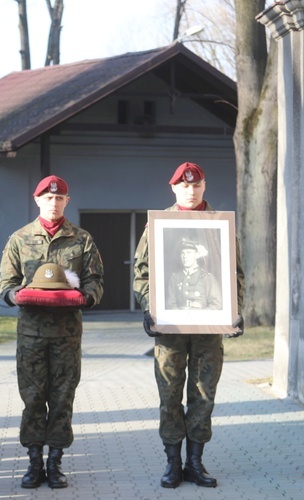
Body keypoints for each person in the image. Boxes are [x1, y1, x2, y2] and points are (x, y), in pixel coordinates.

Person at [133, 161, 245, 489]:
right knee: (169, 395)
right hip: (170, 330)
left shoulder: (220, 225)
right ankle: (172, 463)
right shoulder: (158, 226)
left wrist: (236, 313)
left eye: (196, 185)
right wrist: (149, 308)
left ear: (204, 186)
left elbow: (235, 274)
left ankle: (195, 462)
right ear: (173, 188)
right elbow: (143, 273)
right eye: (184, 186)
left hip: (209, 330)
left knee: (203, 394)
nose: (190, 191)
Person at [0, 175, 104, 489]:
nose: (53, 203)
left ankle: (55, 463)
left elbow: (95, 280)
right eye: (47, 198)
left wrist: (87, 296)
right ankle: (33, 463)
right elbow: (5, 285)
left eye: (59, 199)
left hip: (67, 335)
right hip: (31, 335)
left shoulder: (81, 239)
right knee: (32, 400)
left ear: (66, 202)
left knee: (62, 400)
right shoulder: (19, 239)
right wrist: (17, 295)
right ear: (37, 200)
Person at [165, 239, 221, 310]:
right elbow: (170, 304)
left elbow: (216, 305)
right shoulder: (174, 278)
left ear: (197, 255)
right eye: (183, 253)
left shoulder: (208, 278)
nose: (185, 256)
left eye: (189, 253)